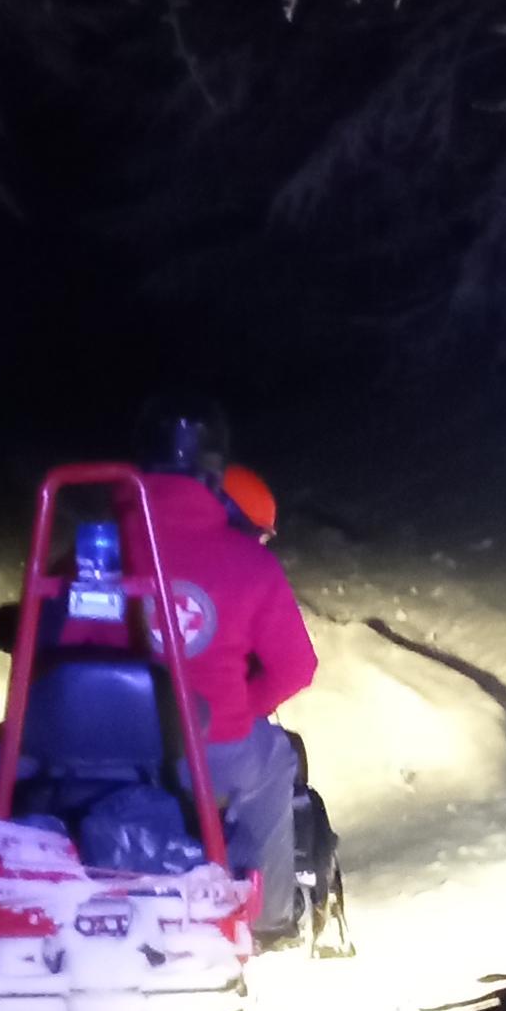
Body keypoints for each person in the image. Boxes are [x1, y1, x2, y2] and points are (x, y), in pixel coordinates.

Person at [136, 401, 316, 939]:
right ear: (216, 474)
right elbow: (296, 667)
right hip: (216, 750)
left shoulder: (102, 549)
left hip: (116, 752)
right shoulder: (249, 560)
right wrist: (244, 704)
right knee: (277, 762)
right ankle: (269, 915)